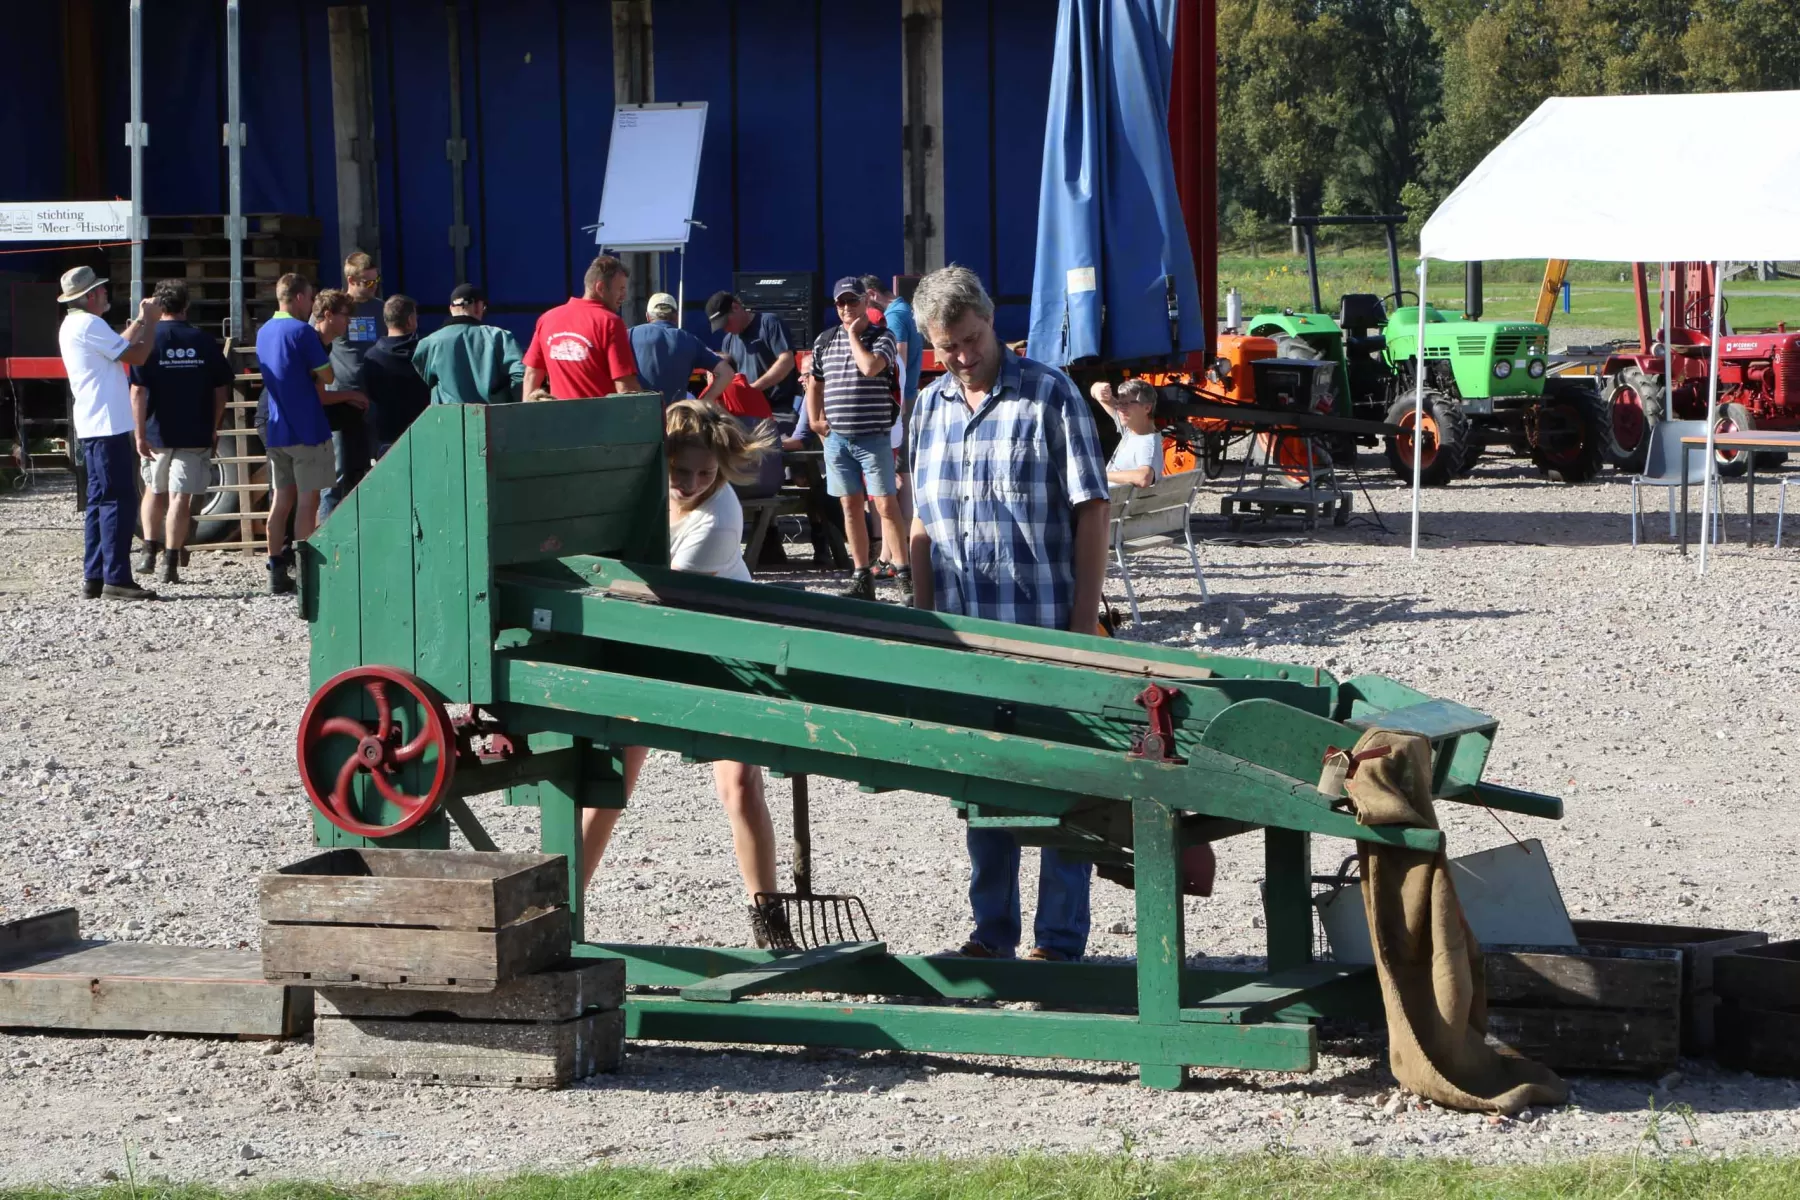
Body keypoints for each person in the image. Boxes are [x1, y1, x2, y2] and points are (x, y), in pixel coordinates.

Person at [907, 264, 1109, 963]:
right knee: (982, 786)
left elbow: (1092, 509)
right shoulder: (929, 406)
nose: (962, 357)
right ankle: (992, 933)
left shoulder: (1050, 395)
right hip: (966, 640)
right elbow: (922, 527)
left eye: (971, 338)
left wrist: (1083, 630)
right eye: (946, 347)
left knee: (1062, 787)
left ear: (993, 324)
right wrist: (922, 625)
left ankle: (1059, 942)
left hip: (1047, 630)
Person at [578, 399, 792, 948]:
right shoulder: (647, 488)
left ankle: (767, 916)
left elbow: (654, 594)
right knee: (611, 782)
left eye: (705, 472)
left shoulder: (718, 520)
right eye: (681, 471)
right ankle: (565, 906)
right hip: (659, 637)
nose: (692, 482)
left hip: (722, 648)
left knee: (740, 784)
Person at [56, 265, 162, 601]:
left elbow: (120, 343)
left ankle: (96, 575)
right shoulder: (89, 323)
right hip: (108, 424)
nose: (105, 293)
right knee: (119, 498)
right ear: (89, 296)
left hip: (93, 423)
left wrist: (141, 321)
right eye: (100, 290)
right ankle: (117, 577)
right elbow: (137, 354)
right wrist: (152, 322)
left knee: (99, 500)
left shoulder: (75, 323)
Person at [256, 275, 363, 595]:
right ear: (301, 298)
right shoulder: (302, 332)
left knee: (281, 502)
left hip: (276, 429)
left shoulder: (264, 331)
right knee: (308, 502)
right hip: (307, 429)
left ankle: (276, 569)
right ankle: (306, 572)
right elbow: (327, 375)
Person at [807, 277, 907, 602]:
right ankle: (862, 575)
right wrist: (815, 419)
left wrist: (852, 335)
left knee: (885, 505)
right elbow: (815, 383)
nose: (847, 308)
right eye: (841, 303)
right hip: (838, 438)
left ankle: (904, 577)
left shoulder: (884, 336)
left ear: (866, 301)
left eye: (853, 301)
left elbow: (869, 367)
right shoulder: (823, 341)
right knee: (850, 507)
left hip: (873, 437)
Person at [129, 278, 232, 585]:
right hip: (194, 433)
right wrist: (213, 428)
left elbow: (137, 392)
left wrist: (139, 434)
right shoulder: (203, 341)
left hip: (157, 432)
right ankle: (170, 562)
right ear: (187, 305)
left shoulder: (148, 341)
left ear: (158, 306)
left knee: (154, 491)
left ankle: (148, 550)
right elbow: (220, 390)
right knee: (180, 498)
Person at [522, 255, 642, 400]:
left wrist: (527, 417)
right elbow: (625, 388)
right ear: (600, 288)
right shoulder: (610, 322)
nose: (624, 295)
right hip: (600, 420)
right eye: (621, 289)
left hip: (557, 419)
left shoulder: (547, 319)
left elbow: (531, 375)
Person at [320, 251, 382, 520]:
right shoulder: (334, 311)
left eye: (375, 280)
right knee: (337, 471)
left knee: (372, 466)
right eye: (366, 282)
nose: (372, 286)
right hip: (340, 400)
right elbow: (315, 345)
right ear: (350, 279)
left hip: (374, 398)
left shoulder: (380, 309)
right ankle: (327, 530)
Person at [868, 272, 923, 551]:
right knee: (903, 471)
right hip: (906, 398)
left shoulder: (896, 316)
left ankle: (897, 548)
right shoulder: (905, 311)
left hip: (901, 401)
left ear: (873, 295)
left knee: (898, 473)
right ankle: (898, 547)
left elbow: (897, 358)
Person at [412, 283, 525, 409]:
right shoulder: (499, 337)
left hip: (446, 421)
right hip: (494, 419)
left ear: (451, 308)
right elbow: (520, 375)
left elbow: (422, 385)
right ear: (478, 307)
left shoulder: (429, 343)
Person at [628, 291, 733, 407]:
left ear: (647, 316)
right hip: (676, 419)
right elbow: (726, 373)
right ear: (676, 316)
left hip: (639, 415)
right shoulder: (690, 340)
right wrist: (701, 403)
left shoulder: (630, 335)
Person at [360, 294, 432, 457]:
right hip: (423, 430)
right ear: (410, 321)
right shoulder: (425, 352)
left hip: (386, 434)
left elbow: (371, 393)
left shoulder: (372, 356)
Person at [704, 291, 798, 413]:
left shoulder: (769, 323)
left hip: (778, 410)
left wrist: (754, 389)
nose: (726, 329)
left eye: (726, 322)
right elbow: (725, 373)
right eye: (722, 326)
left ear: (735, 307)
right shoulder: (728, 340)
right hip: (745, 411)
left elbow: (787, 361)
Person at [1101, 379, 1162, 487]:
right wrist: (1100, 388)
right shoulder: (1130, 430)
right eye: (1119, 403)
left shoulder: (1147, 442)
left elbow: (1144, 478)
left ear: (1147, 408)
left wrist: (1101, 475)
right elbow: (1098, 395)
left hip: (1111, 501)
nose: (1120, 409)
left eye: (1126, 404)